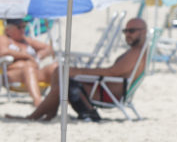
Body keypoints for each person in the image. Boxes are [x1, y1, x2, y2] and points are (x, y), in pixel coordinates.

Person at [7, 18, 149, 121]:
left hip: (107, 93)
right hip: (104, 88)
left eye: (132, 31)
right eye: (125, 31)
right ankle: (47, 113)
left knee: (62, 79)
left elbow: (111, 72)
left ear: (144, 32)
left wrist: (78, 71)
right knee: (60, 72)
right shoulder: (138, 51)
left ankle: (35, 116)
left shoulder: (136, 53)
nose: (127, 34)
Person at [0, 18, 57, 107]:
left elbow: (49, 48)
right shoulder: (4, 39)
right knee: (29, 69)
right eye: (19, 27)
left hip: (34, 73)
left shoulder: (26, 40)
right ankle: (38, 102)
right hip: (13, 75)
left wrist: (39, 56)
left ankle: (69, 99)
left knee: (55, 67)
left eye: (24, 27)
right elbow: (3, 51)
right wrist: (25, 55)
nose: (23, 30)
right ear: (8, 30)